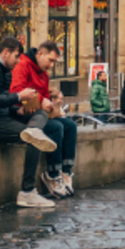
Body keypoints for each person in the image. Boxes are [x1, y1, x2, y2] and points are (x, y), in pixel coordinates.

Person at [0, 36, 59, 205]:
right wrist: (18, 96)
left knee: (40, 114)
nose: (18, 62)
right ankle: (27, 191)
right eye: (16, 57)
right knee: (34, 139)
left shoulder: (4, 71)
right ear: (6, 53)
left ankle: (34, 129)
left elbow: (2, 102)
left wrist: (18, 109)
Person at [10, 41, 78, 196]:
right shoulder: (23, 65)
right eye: (50, 60)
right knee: (56, 127)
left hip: (39, 114)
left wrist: (54, 101)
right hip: (22, 114)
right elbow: (17, 90)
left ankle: (65, 172)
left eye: (54, 62)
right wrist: (41, 100)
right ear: (40, 54)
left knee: (70, 126)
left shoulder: (44, 74)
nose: (52, 65)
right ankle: (52, 174)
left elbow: (45, 100)